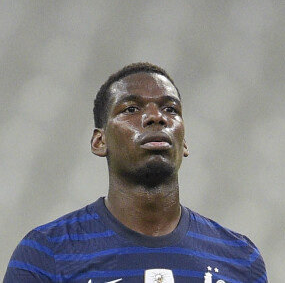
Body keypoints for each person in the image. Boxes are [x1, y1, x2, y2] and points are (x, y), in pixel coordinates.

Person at [4, 62, 268, 283]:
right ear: (100, 141)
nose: (156, 117)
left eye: (170, 109)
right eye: (131, 108)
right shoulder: (46, 251)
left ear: (184, 141)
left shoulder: (240, 257)